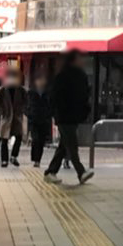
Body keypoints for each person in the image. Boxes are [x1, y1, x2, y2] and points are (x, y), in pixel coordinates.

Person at [44, 50, 94, 185]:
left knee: (64, 145)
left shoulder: (76, 75)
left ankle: (51, 172)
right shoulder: (64, 76)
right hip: (65, 116)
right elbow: (55, 97)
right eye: (80, 58)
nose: (82, 61)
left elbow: (84, 95)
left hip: (71, 116)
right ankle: (81, 172)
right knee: (71, 145)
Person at [0, 68, 26, 170]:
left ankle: (14, 156)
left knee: (19, 137)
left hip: (17, 118)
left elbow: (26, 102)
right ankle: (4, 160)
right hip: (6, 118)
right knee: (4, 140)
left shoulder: (21, 90)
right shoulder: (3, 90)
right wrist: (2, 112)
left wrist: (21, 110)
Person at [25, 69, 52, 168]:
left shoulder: (47, 93)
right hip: (34, 120)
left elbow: (51, 105)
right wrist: (29, 114)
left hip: (44, 121)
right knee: (35, 139)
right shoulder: (31, 93)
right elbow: (25, 105)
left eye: (43, 80)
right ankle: (35, 158)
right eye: (39, 80)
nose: (41, 82)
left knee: (41, 141)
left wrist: (48, 115)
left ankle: (38, 160)